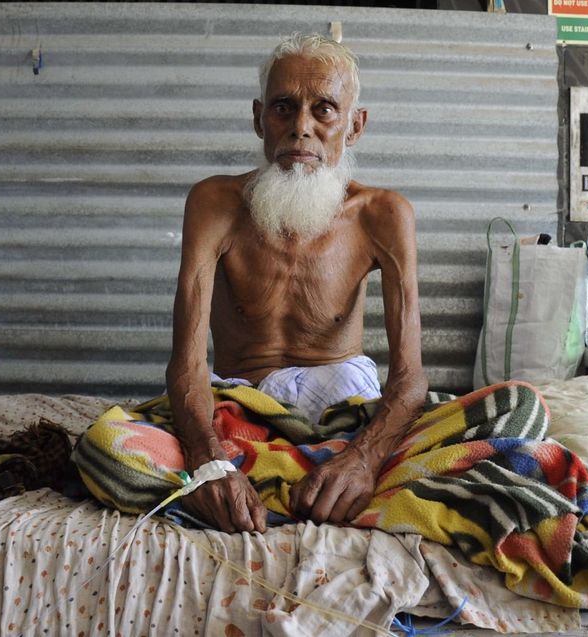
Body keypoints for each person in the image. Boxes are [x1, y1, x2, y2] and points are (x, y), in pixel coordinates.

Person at [166, 33, 427, 534]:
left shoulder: (384, 214)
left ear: (355, 125)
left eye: (323, 109)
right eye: (284, 108)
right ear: (259, 118)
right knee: (105, 446)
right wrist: (211, 462)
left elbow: (410, 378)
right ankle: (257, 478)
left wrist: (363, 460)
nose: (300, 128)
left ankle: (300, 479)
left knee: (512, 411)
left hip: (346, 415)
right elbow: (186, 362)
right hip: (236, 412)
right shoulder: (214, 203)